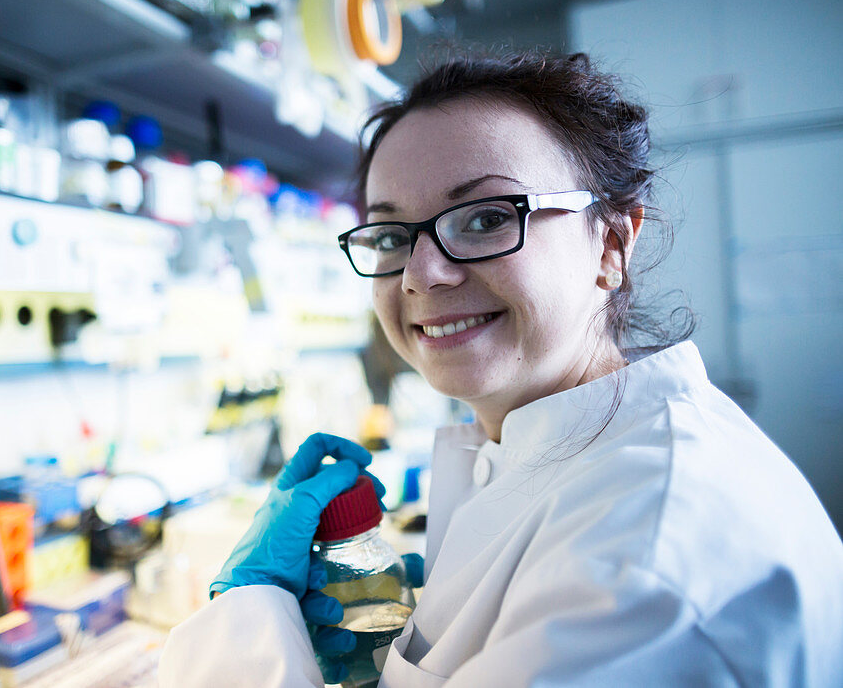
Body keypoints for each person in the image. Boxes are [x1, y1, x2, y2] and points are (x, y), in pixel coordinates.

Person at [158, 50, 843, 686]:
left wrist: (249, 616)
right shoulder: (547, 450)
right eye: (393, 235)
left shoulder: (642, 563)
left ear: (610, 242)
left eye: (485, 218)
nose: (421, 275)